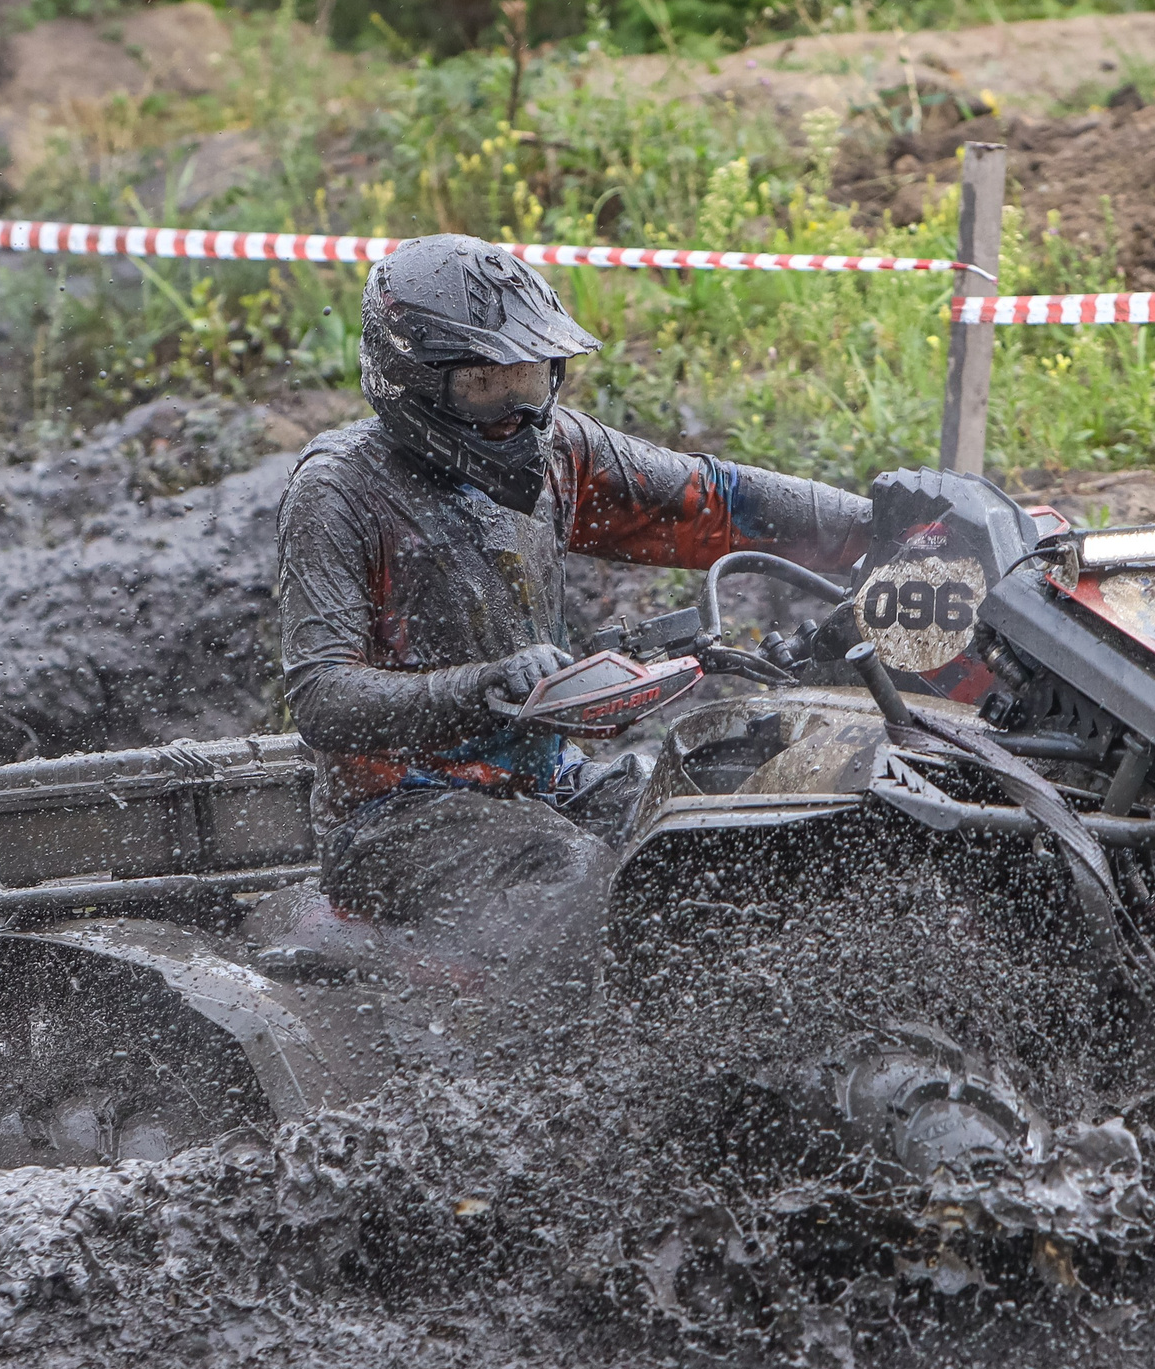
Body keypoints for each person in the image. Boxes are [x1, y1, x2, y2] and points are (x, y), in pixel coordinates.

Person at [277, 235, 868, 966]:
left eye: (530, 381)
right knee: (585, 885)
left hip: (551, 780)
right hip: (397, 815)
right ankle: (569, 1076)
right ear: (414, 381)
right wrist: (483, 685)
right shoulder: (341, 491)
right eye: (485, 387)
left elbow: (710, 499)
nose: (518, 413)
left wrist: (890, 524)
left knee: (718, 831)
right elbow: (320, 694)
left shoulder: (559, 451)